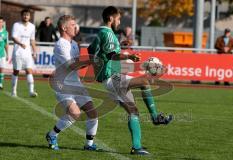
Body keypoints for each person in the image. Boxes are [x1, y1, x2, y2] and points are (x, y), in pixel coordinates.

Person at [88, 6, 173, 155]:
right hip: (112, 77)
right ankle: (154, 117)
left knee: (133, 111)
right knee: (145, 82)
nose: (119, 22)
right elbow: (113, 56)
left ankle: (137, 146)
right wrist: (129, 56)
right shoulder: (107, 34)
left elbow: (91, 49)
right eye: (118, 19)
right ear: (111, 18)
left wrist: (98, 64)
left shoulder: (100, 33)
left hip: (110, 77)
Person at [46, 15, 98, 151]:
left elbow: (79, 63)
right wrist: (90, 60)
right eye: (73, 24)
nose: (76, 27)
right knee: (75, 114)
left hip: (76, 84)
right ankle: (52, 135)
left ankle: (89, 145)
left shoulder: (74, 44)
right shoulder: (60, 45)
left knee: (93, 112)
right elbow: (71, 65)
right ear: (64, 28)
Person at [11, 9, 38, 97]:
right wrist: (20, 43)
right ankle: (13, 91)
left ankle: (31, 91)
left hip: (27, 53)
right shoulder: (16, 25)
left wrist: (34, 52)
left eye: (27, 15)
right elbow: (13, 37)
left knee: (29, 70)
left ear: (30, 17)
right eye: (24, 15)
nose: (26, 16)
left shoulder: (32, 26)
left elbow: (32, 40)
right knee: (16, 71)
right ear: (21, 16)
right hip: (18, 52)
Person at [0, 16, 9, 90]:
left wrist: (7, 54)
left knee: (2, 69)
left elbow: (6, 44)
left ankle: (0, 83)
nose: (0, 23)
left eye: (1, 22)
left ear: (3, 23)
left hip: (2, 54)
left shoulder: (5, 32)